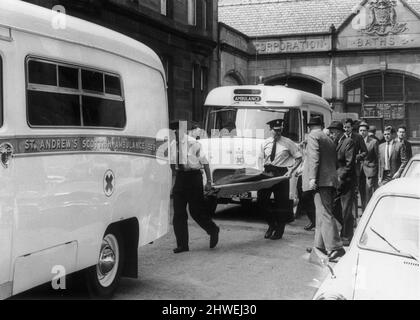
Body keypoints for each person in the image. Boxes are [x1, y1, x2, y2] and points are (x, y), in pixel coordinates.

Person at [170, 120, 220, 253]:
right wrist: (175, 179)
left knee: (196, 212)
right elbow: (172, 164)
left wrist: (209, 182)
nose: (176, 133)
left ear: (183, 131)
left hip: (194, 178)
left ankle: (213, 229)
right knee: (178, 214)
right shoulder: (171, 145)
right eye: (174, 131)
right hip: (181, 178)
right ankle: (182, 245)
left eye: (178, 130)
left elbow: (205, 163)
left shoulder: (193, 143)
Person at [303, 116, 344, 261]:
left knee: (325, 213)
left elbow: (314, 157)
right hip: (329, 180)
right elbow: (334, 161)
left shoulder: (313, 136)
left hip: (320, 181)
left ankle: (336, 247)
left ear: (310, 127)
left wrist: (312, 178)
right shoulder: (328, 138)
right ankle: (319, 246)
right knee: (320, 214)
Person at [258, 119, 302, 240]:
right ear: (270, 130)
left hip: (281, 174)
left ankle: (279, 231)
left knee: (281, 204)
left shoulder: (288, 143)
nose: (278, 132)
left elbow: (299, 158)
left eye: (280, 130)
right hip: (267, 173)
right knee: (261, 201)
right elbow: (260, 159)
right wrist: (259, 171)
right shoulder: (265, 143)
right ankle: (272, 225)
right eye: (275, 130)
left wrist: (291, 171)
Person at [328, 121, 356, 246]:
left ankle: (346, 236)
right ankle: (348, 226)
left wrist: (340, 178)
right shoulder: (335, 143)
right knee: (334, 207)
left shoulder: (348, 142)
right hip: (337, 181)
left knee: (346, 210)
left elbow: (349, 165)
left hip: (346, 182)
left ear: (339, 132)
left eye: (333, 133)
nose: (331, 135)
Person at [343, 118, 367, 220]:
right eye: (344, 127)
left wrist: (356, 157)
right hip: (342, 169)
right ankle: (345, 218)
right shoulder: (341, 137)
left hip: (354, 169)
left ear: (352, 127)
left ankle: (354, 218)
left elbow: (365, 152)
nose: (346, 129)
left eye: (348, 127)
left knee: (354, 193)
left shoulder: (358, 137)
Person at [358, 122, 379, 211]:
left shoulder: (373, 142)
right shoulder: (355, 141)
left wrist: (378, 173)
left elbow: (378, 157)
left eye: (364, 130)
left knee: (368, 190)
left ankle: (369, 210)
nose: (362, 132)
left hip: (370, 169)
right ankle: (364, 210)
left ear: (367, 131)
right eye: (360, 130)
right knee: (361, 190)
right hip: (359, 170)